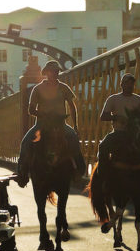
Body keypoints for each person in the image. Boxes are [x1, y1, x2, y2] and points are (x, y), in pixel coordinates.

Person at [15, 60, 86, 188]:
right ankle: (22, 172)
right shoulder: (37, 89)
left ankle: (78, 171)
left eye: (57, 71)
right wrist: (43, 115)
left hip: (60, 124)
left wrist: (75, 126)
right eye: (53, 71)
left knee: (73, 138)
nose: (56, 73)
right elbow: (30, 110)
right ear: (46, 73)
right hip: (42, 124)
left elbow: (72, 106)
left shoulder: (64, 88)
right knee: (26, 142)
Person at [97, 72, 140, 190]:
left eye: (132, 84)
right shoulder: (113, 99)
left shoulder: (139, 100)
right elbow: (103, 116)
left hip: (136, 134)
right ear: (122, 84)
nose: (130, 86)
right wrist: (116, 117)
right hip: (118, 132)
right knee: (103, 147)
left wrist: (136, 121)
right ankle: (102, 178)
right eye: (127, 83)